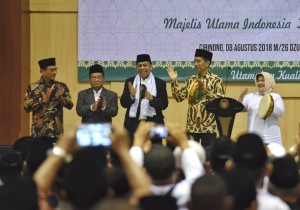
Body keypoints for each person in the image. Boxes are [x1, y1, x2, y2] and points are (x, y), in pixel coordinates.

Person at [167, 49, 224, 148]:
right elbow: (179, 98)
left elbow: (221, 103)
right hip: (192, 127)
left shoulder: (216, 80)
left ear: (207, 63)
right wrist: (174, 81)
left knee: (208, 156)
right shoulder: (190, 80)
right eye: (195, 61)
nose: (196, 64)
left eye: (199, 61)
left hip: (209, 127)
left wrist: (208, 93)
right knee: (191, 155)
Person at [120, 54, 168, 138]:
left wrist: (152, 99)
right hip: (133, 125)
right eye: (139, 66)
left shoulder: (160, 83)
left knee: (155, 150)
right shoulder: (130, 82)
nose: (142, 68)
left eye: (145, 65)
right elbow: (123, 104)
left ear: (151, 66)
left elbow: (164, 105)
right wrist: (131, 96)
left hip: (154, 124)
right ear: (136, 67)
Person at [24, 58, 73, 138]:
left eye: (55, 70)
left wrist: (60, 97)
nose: (55, 72)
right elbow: (26, 108)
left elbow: (70, 105)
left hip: (56, 132)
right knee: (39, 150)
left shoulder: (61, 86)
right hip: (38, 132)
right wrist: (42, 101)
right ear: (42, 71)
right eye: (52, 70)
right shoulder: (33, 87)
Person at [238, 72, 285, 145]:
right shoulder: (251, 96)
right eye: (258, 81)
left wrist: (268, 106)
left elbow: (281, 112)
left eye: (263, 80)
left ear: (268, 81)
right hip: (254, 139)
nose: (260, 83)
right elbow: (240, 108)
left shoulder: (275, 96)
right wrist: (239, 100)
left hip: (272, 139)